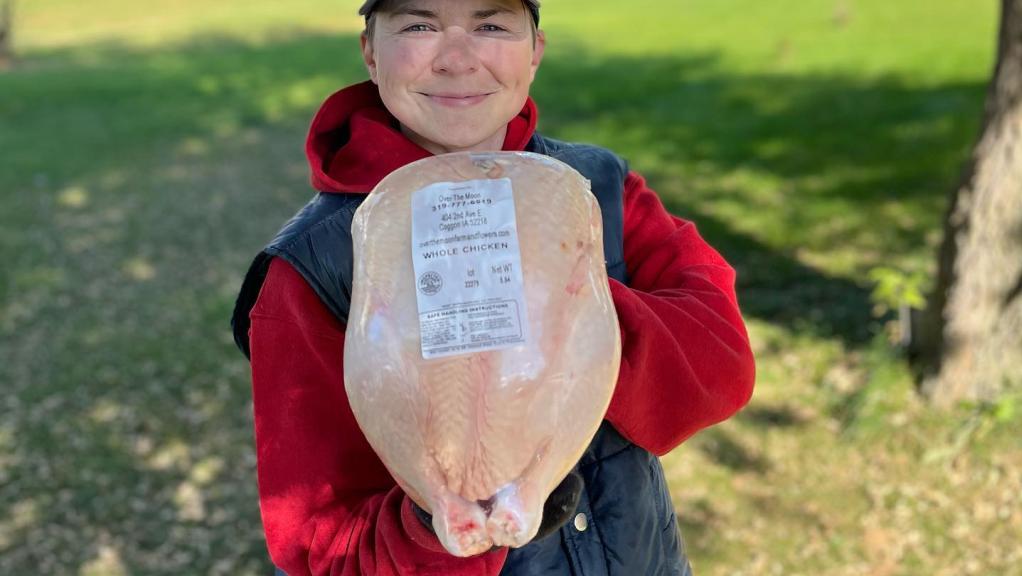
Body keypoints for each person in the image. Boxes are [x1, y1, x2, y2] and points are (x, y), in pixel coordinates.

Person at [231, 0, 756, 574]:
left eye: (490, 25)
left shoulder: (601, 189)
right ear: (371, 53)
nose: (457, 59)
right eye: (419, 25)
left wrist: (564, 298)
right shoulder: (313, 266)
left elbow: (722, 368)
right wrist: (437, 524)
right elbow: (321, 548)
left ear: (535, 52)